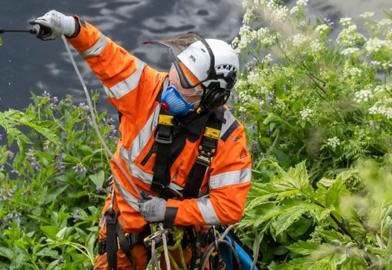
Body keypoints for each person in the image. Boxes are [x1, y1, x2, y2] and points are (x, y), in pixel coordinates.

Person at [31, 10, 252, 270]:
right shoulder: (146, 89)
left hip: (184, 234)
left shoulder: (228, 137)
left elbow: (228, 207)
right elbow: (106, 56)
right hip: (126, 221)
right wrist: (72, 28)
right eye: (175, 72)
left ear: (212, 97)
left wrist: (168, 211)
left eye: (186, 86)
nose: (172, 87)